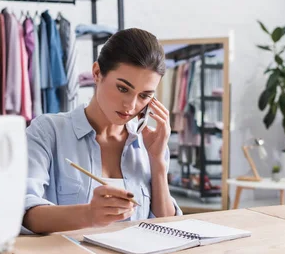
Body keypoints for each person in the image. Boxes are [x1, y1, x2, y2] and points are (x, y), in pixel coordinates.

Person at [22, 28, 182, 234]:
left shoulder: (149, 142)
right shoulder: (48, 131)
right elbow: (25, 212)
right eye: (123, 88)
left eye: (144, 96)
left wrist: (158, 161)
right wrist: (89, 215)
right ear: (97, 73)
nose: (131, 105)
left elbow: (167, 226)